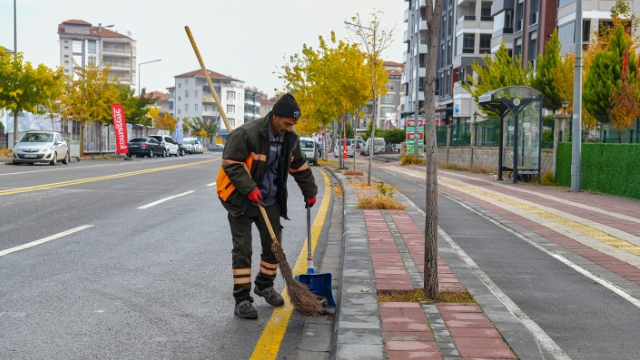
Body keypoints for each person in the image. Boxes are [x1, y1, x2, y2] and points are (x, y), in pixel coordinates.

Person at [216, 93, 318, 319]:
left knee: (274, 245)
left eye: (293, 125)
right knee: (243, 248)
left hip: (268, 199)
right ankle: (242, 299)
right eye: (287, 123)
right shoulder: (246, 134)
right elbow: (231, 164)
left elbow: (299, 166)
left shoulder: (290, 139)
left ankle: (264, 284)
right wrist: (248, 188)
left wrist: (310, 191)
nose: (290, 128)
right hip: (239, 197)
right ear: (275, 117)